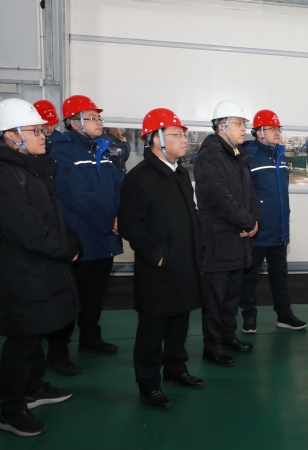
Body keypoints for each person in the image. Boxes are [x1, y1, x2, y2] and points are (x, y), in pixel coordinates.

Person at [0, 98, 79, 436]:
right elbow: (27, 228)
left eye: (42, 130)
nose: (43, 136)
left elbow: (50, 216)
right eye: (35, 131)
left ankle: (33, 389)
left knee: (36, 331)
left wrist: (69, 240)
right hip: (19, 270)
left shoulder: (28, 168)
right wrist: (66, 249)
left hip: (38, 266)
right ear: (11, 135)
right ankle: (10, 410)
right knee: (21, 340)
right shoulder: (0, 175)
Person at [118, 108, 205, 410]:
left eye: (183, 134)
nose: (184, 140)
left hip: (184, 264)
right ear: (157, 139)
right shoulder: (139, 178)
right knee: (152, 331)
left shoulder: (179, 173)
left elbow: (190, 214)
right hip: (159, 268)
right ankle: (149, 384)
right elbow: (130, 224)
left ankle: (176, 369)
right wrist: (156, 256)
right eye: (176, 135)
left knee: (180, 323)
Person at [46, 95, 123, 376]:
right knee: (70, 297)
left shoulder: (102, 149)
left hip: (104, 237)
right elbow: (77, 195)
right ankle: (58, 352)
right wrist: (108, 221)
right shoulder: (61, 150)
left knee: (95, 293)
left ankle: (91, 339)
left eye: (99, 117)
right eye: (91, 117)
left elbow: (119, 186)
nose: (98, 122)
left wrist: (120, 216)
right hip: (80, 238)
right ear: (74, 122)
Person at [194, 101, 260, 366]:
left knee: (232, 294)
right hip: (219, 239)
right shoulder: (210, 157)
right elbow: (220, 199)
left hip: (239, 238)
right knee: (215, 298)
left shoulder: (237, 154)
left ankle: (228, 336)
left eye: (244, 124)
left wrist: (253, 221)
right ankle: (212, 346)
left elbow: (250, 193)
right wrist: (247, 222)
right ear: (222, 126)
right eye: (239, 124)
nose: (244, 129)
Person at [240, 109, 307, 333]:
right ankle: (249, 317)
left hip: (279, 229)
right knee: (249, 277)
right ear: (259, 132)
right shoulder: (248, 157)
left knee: (280, 276)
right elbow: (242, 194)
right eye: (271, 129)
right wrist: (247, 222)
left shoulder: (281, 156)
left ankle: (284, 315)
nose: (277, 132)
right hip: (257, 230)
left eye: (278, 129)